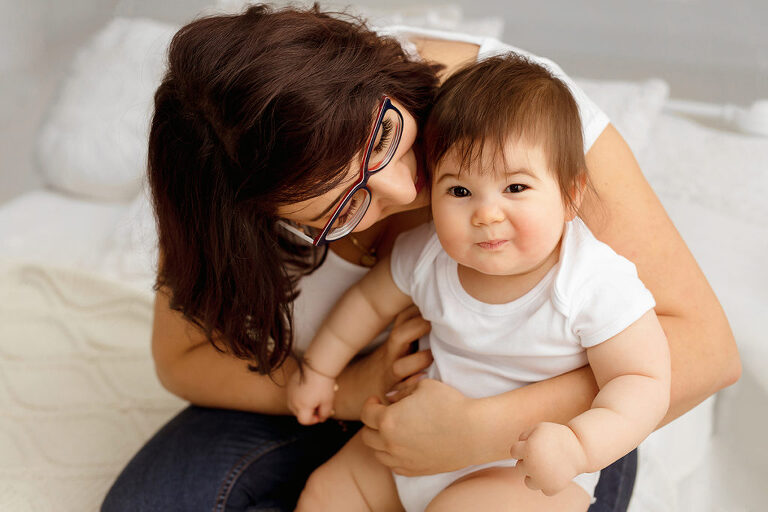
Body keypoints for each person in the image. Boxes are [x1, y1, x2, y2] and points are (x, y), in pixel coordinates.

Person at [101, 4, 740, 512]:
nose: (409, 191)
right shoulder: (225, 152)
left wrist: (478, 430)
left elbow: (706, 352)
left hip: (540, 425)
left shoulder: (510, 117)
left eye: (383, 137)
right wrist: (349, 388)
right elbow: (182, 359)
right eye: (339, 207)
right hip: (350, 405)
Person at [286, 54, 671, 512]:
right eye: (460, 191)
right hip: (415, 444)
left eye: (515, 188)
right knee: (327, 492)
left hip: (520, 469)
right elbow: (366, 306)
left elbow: (642, 380)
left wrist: (579, 445)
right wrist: (320, 372)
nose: (486, 214)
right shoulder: (427, 253)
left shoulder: (592, 281)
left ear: (570, 195)